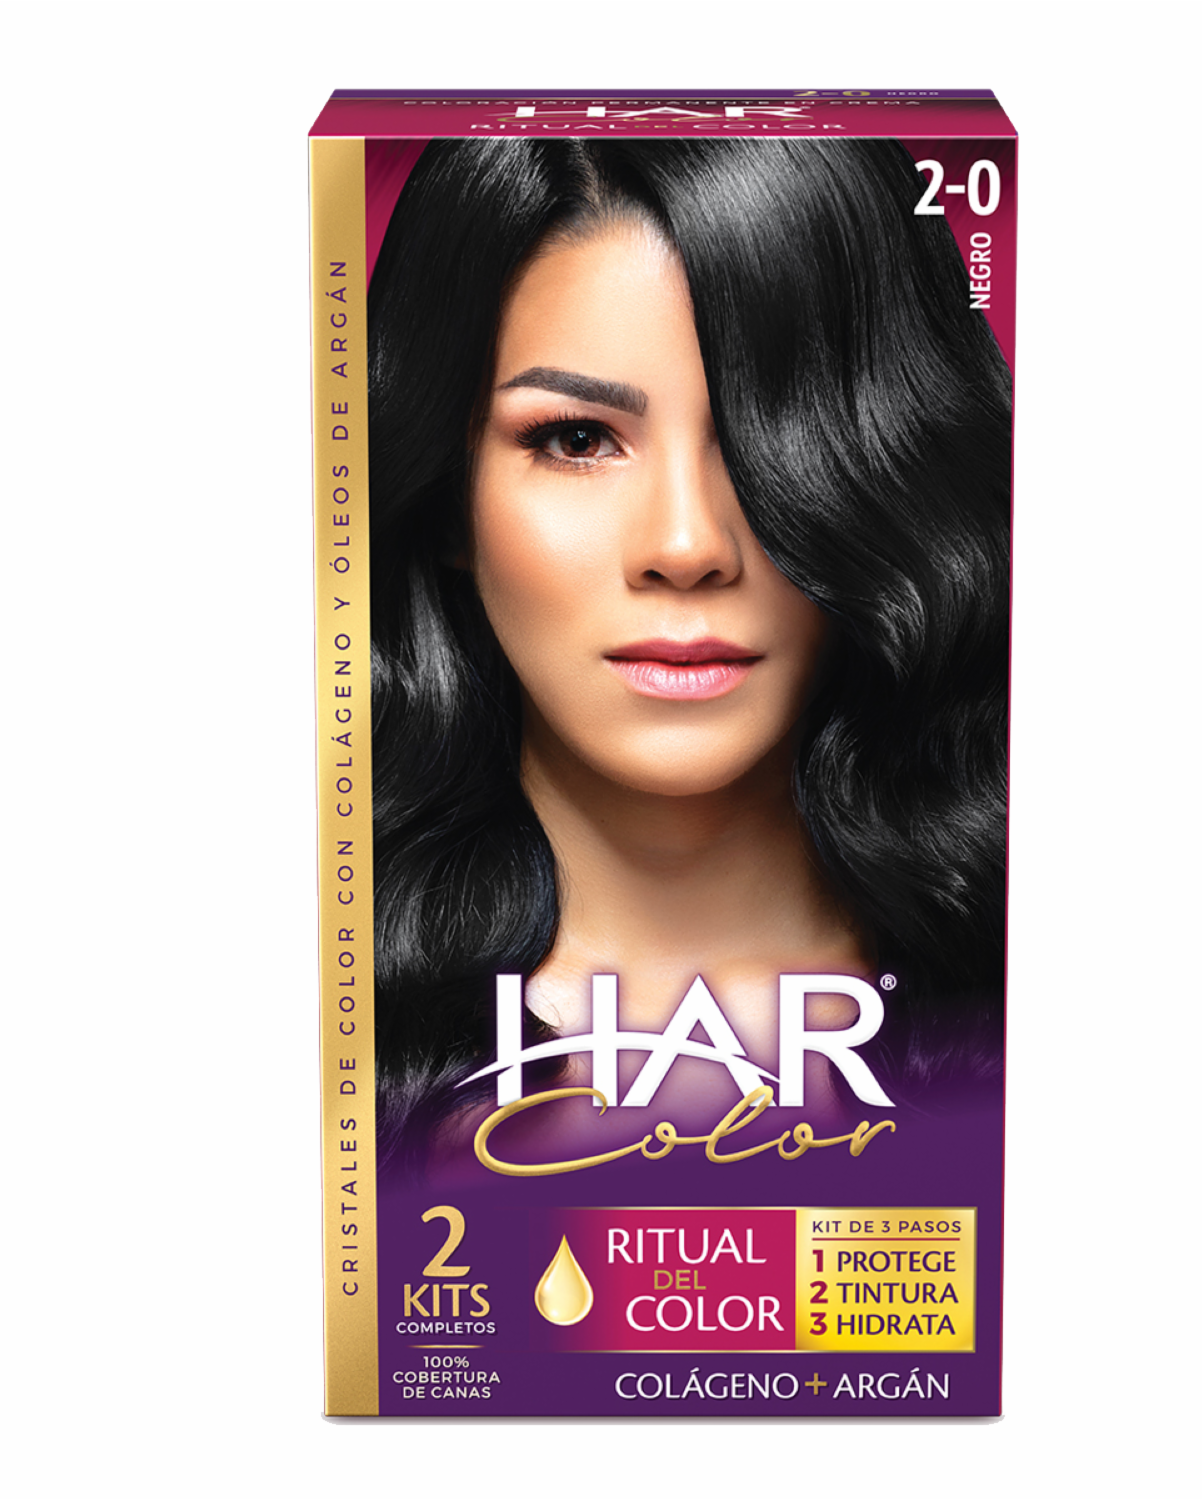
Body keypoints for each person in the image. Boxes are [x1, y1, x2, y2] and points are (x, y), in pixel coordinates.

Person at [367, 138, 1012, 1170]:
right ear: (449, 497)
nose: (686, 546)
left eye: (773, 439)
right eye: (577, 439)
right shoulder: (328, 1012)